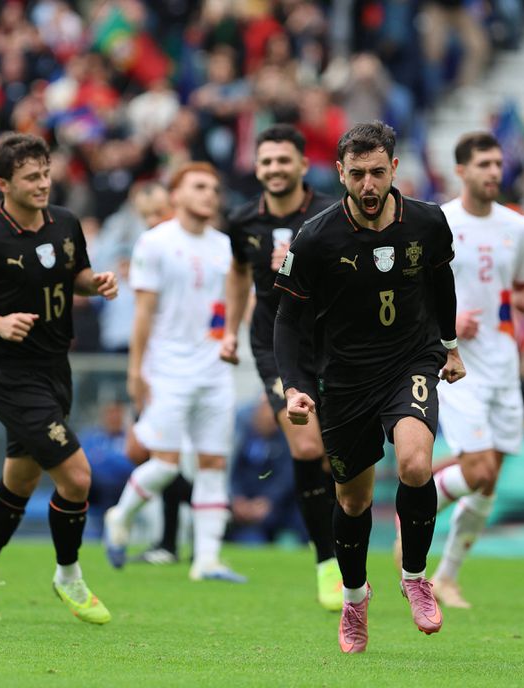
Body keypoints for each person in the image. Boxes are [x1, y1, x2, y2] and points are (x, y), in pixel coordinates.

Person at [273, 121, 466, 654]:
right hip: (344, 378)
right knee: (353, 500)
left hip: (411, 361)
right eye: (357, 174)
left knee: (416, 464)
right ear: (340, 172)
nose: (368, 184)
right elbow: (288, 320)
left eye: (377, 172)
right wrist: (293, 387)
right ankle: (355, 599)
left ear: (394, 168)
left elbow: (442, 281)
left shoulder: (427, 222)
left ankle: (415, 577)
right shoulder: (316, 238)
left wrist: (449, 346)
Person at [0, 132, 118, 624]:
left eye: (46, 173)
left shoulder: (66, 223)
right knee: (77, 478)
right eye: (31, 177)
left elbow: (74, 275)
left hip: (56, 369)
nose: (43, 183)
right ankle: (69, 577)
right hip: (11, 377)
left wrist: (94, 284)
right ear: (3, 183)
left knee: (22, 479)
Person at [426, 132, 524, 608]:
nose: (494, 172)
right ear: (461, 170)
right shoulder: (438, 222)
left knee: (489, 479)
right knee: (477, 469)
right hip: (456, 363)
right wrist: (448, 321)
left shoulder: (517, 227)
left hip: (503, 362)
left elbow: (516, 287)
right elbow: (414, 289)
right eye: (484, 164)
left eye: (498, 163)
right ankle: (416, 504)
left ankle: (446, 577)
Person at [103, 161, 245, 583]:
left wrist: (231, 333)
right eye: (199, 186)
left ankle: (207, 560)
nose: (209, 194)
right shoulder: (155, 243)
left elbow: (237, 297)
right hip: (168, 369)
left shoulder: (226, 246)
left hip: (215, 368)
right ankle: (120, 515)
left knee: (213, 462)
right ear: (177, 194)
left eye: (214, 188)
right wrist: (136, 371)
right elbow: (143, 312)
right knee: (165, 464)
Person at [223, 124, 342, 609]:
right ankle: (327, 563)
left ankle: (346, 553)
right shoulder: (241, 221)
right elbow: (238, 273)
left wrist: (302, 264)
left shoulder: (331, 213)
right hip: (274, 346)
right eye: (267, 161)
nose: (274, 168)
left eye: (283, 160)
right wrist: (228, 330)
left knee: (338, 458)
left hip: (332, 347)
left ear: (302, 164)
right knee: (307, 444)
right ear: (257, 167)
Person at [120, 181, 194, 566]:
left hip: (180, 367)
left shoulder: (189, 251)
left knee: (159, 454)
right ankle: (195, 514)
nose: (152, 220)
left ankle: (183, 528)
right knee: (150, 453)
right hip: (153, 365)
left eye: (158, 212)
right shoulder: (150, 249)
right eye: (145, 214)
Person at [227, 395, 309, 545]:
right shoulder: (241, 438)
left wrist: (269, 500)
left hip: (279, 507)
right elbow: (230, 472)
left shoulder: (285, 439)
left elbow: (288, 475)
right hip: (244, 510)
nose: (271, 418)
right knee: (251, 541)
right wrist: (237, 499)